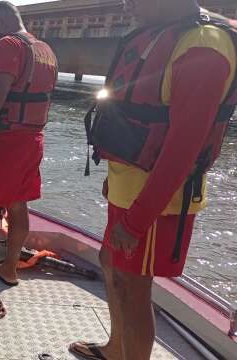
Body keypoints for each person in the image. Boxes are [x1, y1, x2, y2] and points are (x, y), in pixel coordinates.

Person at [77, 1, 237, 359]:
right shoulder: (166, 35)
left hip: (157, 202)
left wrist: (136, 221)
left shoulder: (204, 46)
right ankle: (116, 349)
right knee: (110, 264)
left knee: (134, 287)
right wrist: (114, 178)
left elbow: (182, 149)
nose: (126, 6)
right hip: (130, 188)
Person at [0, 1, 58, 292]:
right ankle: (9, 268)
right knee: (19, 204)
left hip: (2, 141)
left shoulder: (7, 44)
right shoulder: (46, 51)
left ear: (2, 21)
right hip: (32, 141)